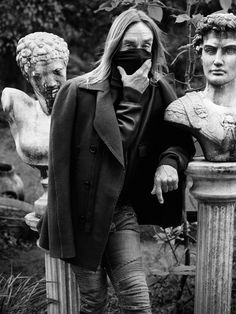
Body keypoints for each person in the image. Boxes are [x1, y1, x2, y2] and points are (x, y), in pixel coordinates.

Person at [38, 8, 195, 313]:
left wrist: (169, 162)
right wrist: (131, 99)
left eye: (145, 47)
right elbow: (68, 167)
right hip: (82, 217)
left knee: (138, 304)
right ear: (114, 46)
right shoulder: (77, 92)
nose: (137, 54)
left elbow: (179, 140)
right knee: (93, 303)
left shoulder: (158, 90)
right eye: (128, 46)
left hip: (121, 212)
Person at [165, 13, 236, 162]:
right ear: (200, 53)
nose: (217, 61)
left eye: (229, 50)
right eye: (210, 50)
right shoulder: (183, 109)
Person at [1, 32, 69, 174]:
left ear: (65, 66)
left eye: (57, 72)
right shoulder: (16, 106)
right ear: (27, 76)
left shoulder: (86, 106)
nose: (50, 83)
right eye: (39, 76)